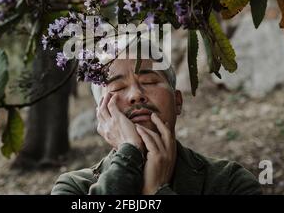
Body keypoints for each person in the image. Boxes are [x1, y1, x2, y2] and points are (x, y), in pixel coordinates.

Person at [51, 36, 261, 195]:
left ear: (177, 101)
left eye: (150, 82)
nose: (135, 95)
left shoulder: (230, 182)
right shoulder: (74, 187)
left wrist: (156, 191)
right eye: (118, 87)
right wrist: (129, 156)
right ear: (102, 115)